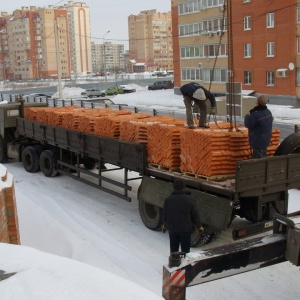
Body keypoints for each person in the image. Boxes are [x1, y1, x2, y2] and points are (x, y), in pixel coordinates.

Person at [162, 179, 204, 254]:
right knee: (185, 252)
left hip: (172, 230)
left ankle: (174, 263)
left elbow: (165, 214)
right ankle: (184, 263)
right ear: (183, 187)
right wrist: (199, 226)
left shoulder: (168, 200)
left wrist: (164, 225)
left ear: (174, 187)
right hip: (185, 230)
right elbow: (195, 214)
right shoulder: (189, 199)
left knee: (174, 251)